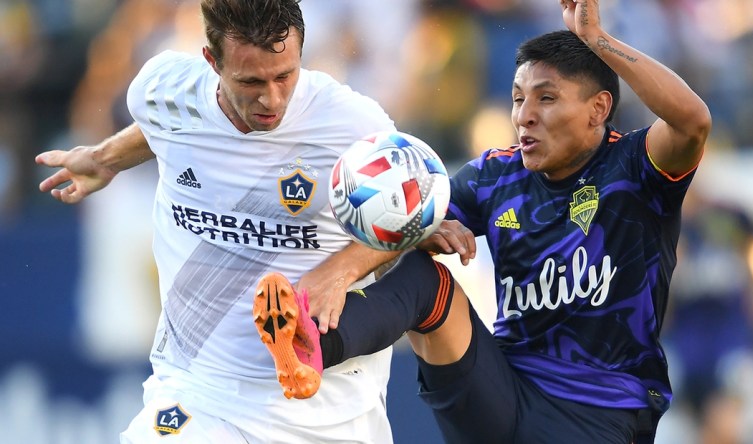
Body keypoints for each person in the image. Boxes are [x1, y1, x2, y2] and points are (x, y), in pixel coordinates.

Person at [256, 0, 711, 443]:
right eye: (517, 99)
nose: (524, 116)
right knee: (424, 276)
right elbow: (409, 221)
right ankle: (309, 346)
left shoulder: (634, 166)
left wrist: (598, 40)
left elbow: (692, 122)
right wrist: (339, 272)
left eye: (546, 98)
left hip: (599, 413)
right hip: (499, 392)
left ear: (598, 108)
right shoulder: (498, 174)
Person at [35, 0, 408, 442]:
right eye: (251, 82)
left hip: (326, 410)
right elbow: (167, 123)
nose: (272, 98)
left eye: (284, 75)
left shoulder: (350, 123)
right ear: (212, 61)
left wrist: (338, 271)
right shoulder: (160, 88)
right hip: (198, 391)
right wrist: (104, 157)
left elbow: (415, 215)